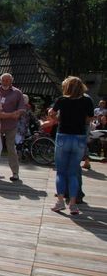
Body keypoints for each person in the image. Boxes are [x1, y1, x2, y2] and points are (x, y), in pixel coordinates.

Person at [50, 76, 94, 215]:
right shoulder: (87, 100)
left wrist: (58, 119)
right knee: (73, 172)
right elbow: (89, 118)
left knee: (61, 172)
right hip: (79, 137)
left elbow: (52, 114)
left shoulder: (62, 100)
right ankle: (73, 204)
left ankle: (60, 202)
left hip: (63, 136)